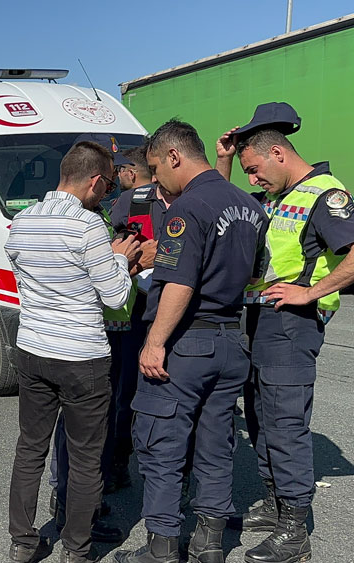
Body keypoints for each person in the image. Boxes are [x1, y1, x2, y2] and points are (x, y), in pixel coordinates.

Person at [115, 120, 268, 563]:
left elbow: (179, 283)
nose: (155, 178)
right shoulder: (250, 207)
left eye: (156, 167)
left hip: (187, 343)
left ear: (174, 157)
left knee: (162, 443)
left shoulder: (187, 209)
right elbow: (255, 273)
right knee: (217, 445)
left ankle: (162, 547)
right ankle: (209, 543)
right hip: (230, 342)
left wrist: (155, 341)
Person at [214, 102, 354, 563]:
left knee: (285, 424)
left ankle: (295, 531)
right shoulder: (275, 195)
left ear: (278, 152)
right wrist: (227, 159)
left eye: (254, 170)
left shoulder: (323, 192)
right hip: (259, 318)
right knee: (259, 417)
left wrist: (310, 294)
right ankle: (276, 507)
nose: (252, 180)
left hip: (291, 325)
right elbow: (225, 204)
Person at [4, 142, 140, 563]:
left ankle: (23, 543)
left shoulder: (22, 221)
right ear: (96, 182)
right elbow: (116, 295)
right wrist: (122, 259)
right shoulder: (89, 227)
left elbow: (23, 274)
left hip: (33, 349)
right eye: (108, 186)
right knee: (84, 457)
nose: (107, 194)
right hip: (82, 356)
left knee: (31, 448)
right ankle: (77, 551)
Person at [105, 151, 179, 492]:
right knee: (126, 390)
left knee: (165, 388)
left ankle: (172, 468)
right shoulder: (129, 201)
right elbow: (110, 247)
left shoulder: (187, 196)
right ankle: (119, 462)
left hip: (176, 304)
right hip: (139, 306)